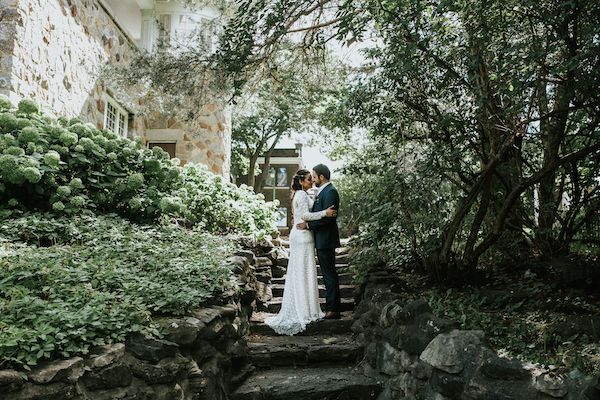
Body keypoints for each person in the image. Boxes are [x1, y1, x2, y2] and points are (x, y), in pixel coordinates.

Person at [264, 169, 337, 335]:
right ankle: (305, 309)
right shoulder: (302, 195)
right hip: (303, 236)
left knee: (300, 272)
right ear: (302, 181)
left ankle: (303, 306)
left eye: (312, 178)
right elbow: (305, 215)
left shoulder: (298, 193)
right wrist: (325, 212)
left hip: (298, 236)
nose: (311, 181)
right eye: (309, 179)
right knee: (304, 272)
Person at [297, 164, 341, 319]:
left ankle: (333, 308)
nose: (313, 180)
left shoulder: (331, 192)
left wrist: (308, 225)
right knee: (327, 273)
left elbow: (329, 219)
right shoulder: (323, 191)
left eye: (314, 176)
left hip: (326, 239)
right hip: (321, 239)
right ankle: (331, 307)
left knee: (329, 274)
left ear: (322, 177)